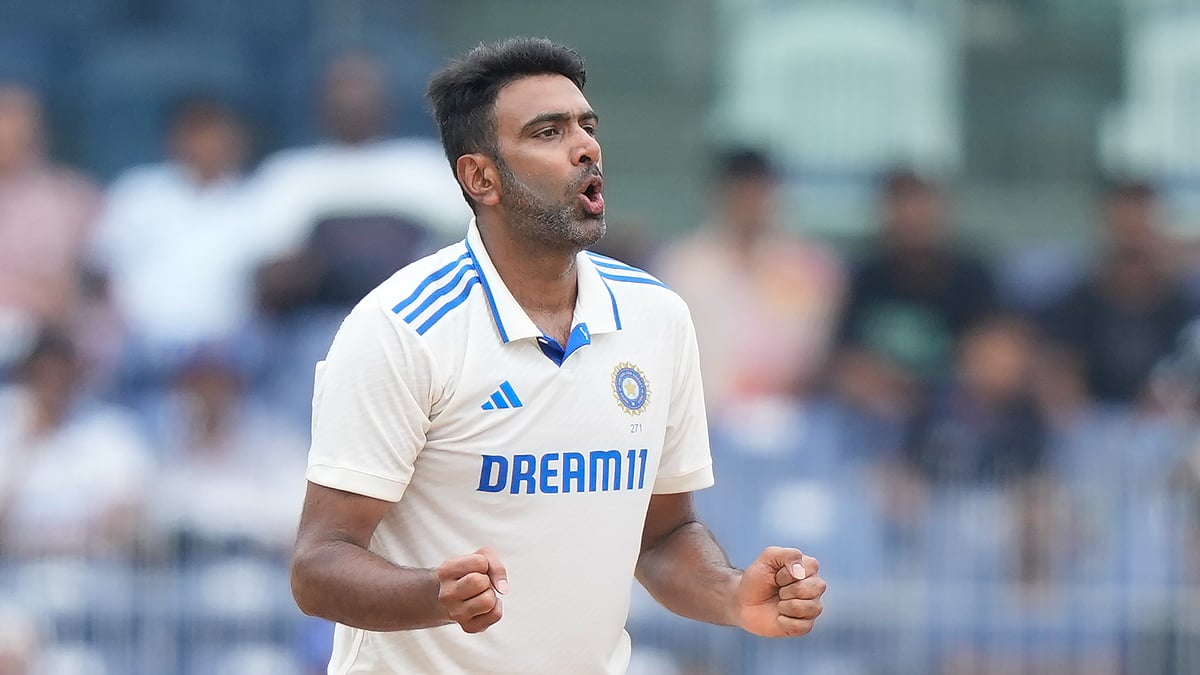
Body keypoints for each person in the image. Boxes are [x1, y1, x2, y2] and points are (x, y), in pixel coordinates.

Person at [289, 37, 827, 674]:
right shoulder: (401, 328)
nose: (586, 148)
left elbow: (661, 535)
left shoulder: (657, 317)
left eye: (587, 127)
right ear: (481, 178)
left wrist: (733, 595)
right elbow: (318, 566)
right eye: (548, 132)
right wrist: (435, 596)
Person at [655, 148, 844, 414]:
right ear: (720, 196)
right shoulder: (682, 267)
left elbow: (813, 354)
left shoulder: (808, 267)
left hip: (792, 412)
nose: (750, 204)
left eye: (758, 192)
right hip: (707, 411)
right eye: (741, 193)